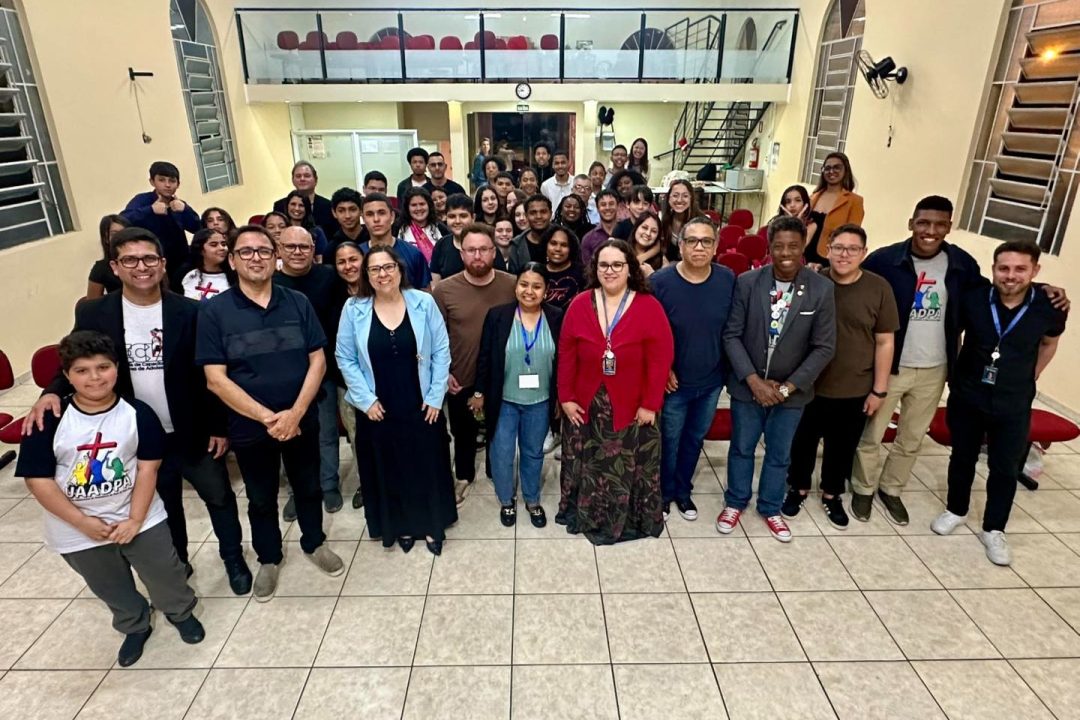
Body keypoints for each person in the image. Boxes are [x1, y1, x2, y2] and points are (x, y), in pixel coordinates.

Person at [27, 226, 250, 593]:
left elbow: (209, 374)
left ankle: (233, 558)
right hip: (137, 437)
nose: (141, 267)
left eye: (149, 259)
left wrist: (219, 426)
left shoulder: (192, 311)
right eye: (130, 260)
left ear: (162, 264)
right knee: (164, 508)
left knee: (220, 498)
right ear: (115, 267)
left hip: (191, 429)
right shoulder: (95, 312)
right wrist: (50, 391)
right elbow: (76, 358)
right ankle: (179, 564)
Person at [16, 330, 204, 668]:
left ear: (117, 368)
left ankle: (180, 612)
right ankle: (134, 624)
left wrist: (135, 520)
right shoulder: (48, 420)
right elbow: (38, 481)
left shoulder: (138, 413)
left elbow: (148, 469)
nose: (94, 378)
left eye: (103, 367)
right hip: (76, 525)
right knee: (108, 583)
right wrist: (83, 522)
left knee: (165, 572)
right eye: (82, 371)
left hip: (138, 514)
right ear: (67, 375)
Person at [196, 225, 345, 602]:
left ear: (275, 257)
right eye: (245, 252)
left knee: (308, 486)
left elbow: (318, 361)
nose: (256, 258)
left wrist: (295, 413)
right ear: (232, 261)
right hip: (250, 425)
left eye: (264, 251)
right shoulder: (214, 312)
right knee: (261, 497)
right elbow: (215, 379)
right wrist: (269, 418)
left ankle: (314, 542)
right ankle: (269, 558)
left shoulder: (297, 302)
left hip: (301, 418)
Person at [931, 241, 1067, 565]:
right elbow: (955, 334)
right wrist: (956, 373)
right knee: (961, 457)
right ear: (993, 269)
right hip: (969, 393)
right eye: (1003, 268)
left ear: (1035, 271)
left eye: (1020, 269)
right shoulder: (975, 297)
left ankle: (994, 528)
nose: (1010, 275)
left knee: (1005, 466)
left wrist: (1031, 375)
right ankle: (956, 509)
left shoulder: (1050, 305)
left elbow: (1049, 342)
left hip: (1014, 399)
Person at [851, 196, 982, 525]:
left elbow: (990, 295)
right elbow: (855, 288)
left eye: (939, 224)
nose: (930, 231)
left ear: (949, 227)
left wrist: (1041, 289)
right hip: (890, 366)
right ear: (911, 223)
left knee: (911, 436)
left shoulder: (961, 264)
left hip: (935, 367)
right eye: (923, 222)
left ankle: (891, 488)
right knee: (872, 434)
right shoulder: (885, 261)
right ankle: (862, 488)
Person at [717, 216, 836, 542]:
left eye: (793, 246)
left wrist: (787, 388)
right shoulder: (747, 282)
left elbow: (824, 347)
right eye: (779, 246)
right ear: (769, 247)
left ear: (803, 247)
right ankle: (735, 501)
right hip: (748, 387)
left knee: (779, 454)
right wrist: (754, 381)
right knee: (741, 448)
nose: (786, 253)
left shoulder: (821, 289)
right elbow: (731, 335)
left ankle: (770, 507)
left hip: (792, 393)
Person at [337, 245, 457, 555]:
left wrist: (435, 396)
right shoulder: (353, 308)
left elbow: (441, 350)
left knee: (425, 464)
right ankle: (400, 525)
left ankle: (430, 524)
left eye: (388, 267)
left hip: (421, 401)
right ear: (366, 275)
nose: (383, 274)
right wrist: (365, 400)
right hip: (378, 405)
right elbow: (345, 357)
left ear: (399, 269)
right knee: (388, 466)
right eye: (375, 269)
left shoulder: (423, 302)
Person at [557, 239, 674, 544]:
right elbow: (566, 353)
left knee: (627, 464)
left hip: (634, 405)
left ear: (629, 269)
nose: (610, 271)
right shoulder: (579, 303)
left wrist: (651, 404)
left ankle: (626, 519)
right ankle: (588, 514)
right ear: (595, 269)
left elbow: (661, 358)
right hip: (586, 403)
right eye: (603, 265)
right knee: (589, 461)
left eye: (617, 265)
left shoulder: (649, 305)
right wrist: (565, 397)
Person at [782, 225, 898, 529]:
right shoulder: (811, 282)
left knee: (842, 447)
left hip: (854, 386)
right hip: (808, 385)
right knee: (802, 443)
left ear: (864, 253)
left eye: (852, 249)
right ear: (827, 250)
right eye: (838, 247)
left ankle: (832, 495)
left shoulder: (878, 288)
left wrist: (879, 390)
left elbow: (885, 341)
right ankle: (798, 488)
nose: (844, 254)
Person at [652, 218, 734, 521]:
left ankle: (683, 492)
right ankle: (663, 493)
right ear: (680, 245)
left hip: (711, 381)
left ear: (716, 246)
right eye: (692, 241)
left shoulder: (727, 280)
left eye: (706, 241)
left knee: (694, 439)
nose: (699, 247)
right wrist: (664, 368)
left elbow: (732, 329)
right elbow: (650, 333)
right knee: (669, 441)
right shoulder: (660, 282)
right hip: (674, 383)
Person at [432, 224, 517, 504]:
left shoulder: (512, 285)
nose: (477, 255)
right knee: (462, 432)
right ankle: (464, 475)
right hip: (461, 376)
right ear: (462, 253)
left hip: (503, 376)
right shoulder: (444, 290)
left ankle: (497, 471)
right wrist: (444, 373)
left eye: (483, 249)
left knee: (499, 430)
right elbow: (435, 336)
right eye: (471, 250)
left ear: (494, 252)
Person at [475, 263, 563, 528]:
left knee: (533, 452)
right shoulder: (498, 316)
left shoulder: (556, 316)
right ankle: (506, 500)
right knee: (501, 453)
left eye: (537, 286)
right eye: (524, 284)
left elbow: (564, 360)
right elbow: (485, 357)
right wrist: (479, 391)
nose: (529, 291)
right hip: (504, 400)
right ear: (515, 287)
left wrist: (561, 397)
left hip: (541, 401)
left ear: (546, 291)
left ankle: (532, 500)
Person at [273, 225, 345, 516]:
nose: (297, 252)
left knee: (326, 432)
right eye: (290, 247)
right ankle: (298, 491)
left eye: (304, 246)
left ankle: (328, 485)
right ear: (279, 250)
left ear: (314, 250)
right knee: (288, 435)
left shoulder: (329, 277)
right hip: (284, 375)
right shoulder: (271, 282)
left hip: (323, 369)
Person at [122, 161, 199, 285]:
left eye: (172, 181)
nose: (167, 185)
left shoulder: (179, 204)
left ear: (178, 184)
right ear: (152, 182)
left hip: (181, 264)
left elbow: (197, 228)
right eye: (162, 180)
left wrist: (185, 210)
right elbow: (123, 220)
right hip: (150, 264)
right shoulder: (142, 200)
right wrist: (150, 210)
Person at [332, 241, 366, 510]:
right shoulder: (330, 294)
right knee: (357, 436)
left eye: (353, 259)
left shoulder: (379, 289)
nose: (348, 266)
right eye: (341, 262)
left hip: (383, 380)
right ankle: (367, 483)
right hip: (346, 382)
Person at [359, 192, 431, 290]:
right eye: (370, 214)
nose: (376, 219)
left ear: (392, 216)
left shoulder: (413, 253)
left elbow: (425, 293)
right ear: (363, 219)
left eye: (381, 213)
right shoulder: (357, 255)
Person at [809, 152, 865, 261]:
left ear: (845, 170)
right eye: (827, 168)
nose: (831, 171)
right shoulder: (813, 197)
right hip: (804, 257)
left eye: (837, 167)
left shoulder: (854, 201)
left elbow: (852, 236)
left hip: (830, 258)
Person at [272, 160, 339, 240]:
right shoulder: (280, 205)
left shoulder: (328, 206)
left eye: (307, 176)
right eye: (298, 176)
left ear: (316, 180)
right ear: (293, 180)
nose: (302, 179)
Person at [430, 193, 474, 284]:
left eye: (463, 216)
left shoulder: (486, 243)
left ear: (473, 218)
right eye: (452, 216)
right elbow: (435, 285)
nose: (457, 221)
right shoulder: (441, 245)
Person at [774, 185, 823, 265]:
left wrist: (796, 224)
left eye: (798, 200)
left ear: (805, 204)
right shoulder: (776, 224)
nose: (792, 205)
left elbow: (798, 247)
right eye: (788, 201)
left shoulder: (812, 224)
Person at [180, 229, 234, 301]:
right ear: (201, 250)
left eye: (224, 244)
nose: (222, 248)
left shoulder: (235, 277)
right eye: (214, 245)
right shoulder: (187, 275)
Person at [396, 186, 446, 265]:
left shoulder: (441, 228)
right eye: (414, 205)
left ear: (429, 205)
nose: (418, 208)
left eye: (422, 204)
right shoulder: (397, 228)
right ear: (407, 208)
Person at [542, 224, 585, 310]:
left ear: (571, 249)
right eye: (553, 243)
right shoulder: (538, 272)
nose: (558, 249)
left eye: (564, 245)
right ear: (546, 245)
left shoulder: (583, 273)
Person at [87, 214, 129, 298]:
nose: (121, 238)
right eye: (114, 234)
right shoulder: (101, 268)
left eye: (125, 233)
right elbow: (92, 303)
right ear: (106, 238)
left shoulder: (143, 260)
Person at [508, 194, 553, 271]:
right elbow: (512, 275)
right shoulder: (516, 245)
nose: (538, 216)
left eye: (543, 212)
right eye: (533, 213)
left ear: (550, 214)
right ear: (526, 215)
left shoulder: (565, 239)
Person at [282, 190, 329, 261]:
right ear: (287, 206)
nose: (297, 208)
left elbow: (321, 261)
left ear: (307, 208)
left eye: (301, 205)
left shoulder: (317, 232)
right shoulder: (281, 230)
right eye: (293, 204)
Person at [659, 179, 698, 262]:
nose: (679, 200)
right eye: (675, 195)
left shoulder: (700, 223)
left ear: (691, 198)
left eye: (685, 196)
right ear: (669, 198)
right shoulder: (665, 219)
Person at [326, 187, 368, 261]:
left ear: (361, 211)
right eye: (341, 211)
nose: (347, 216)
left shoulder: (372, 237)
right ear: (334, 213)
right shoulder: (331, 248)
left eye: (352, 209)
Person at [581, 189, 620, 266]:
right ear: (597, 208)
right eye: (603, 204)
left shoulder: (628, 231)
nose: (607, 208)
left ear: (618, 206)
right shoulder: (588, 239)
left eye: (611, 204)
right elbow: (587, 269)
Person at [629, 212, 666, 276]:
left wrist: (652, 275)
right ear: (636, 228)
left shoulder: (662, 262)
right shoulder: (622, 252)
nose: (648, 233)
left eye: (654, 231)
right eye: (644, 227)